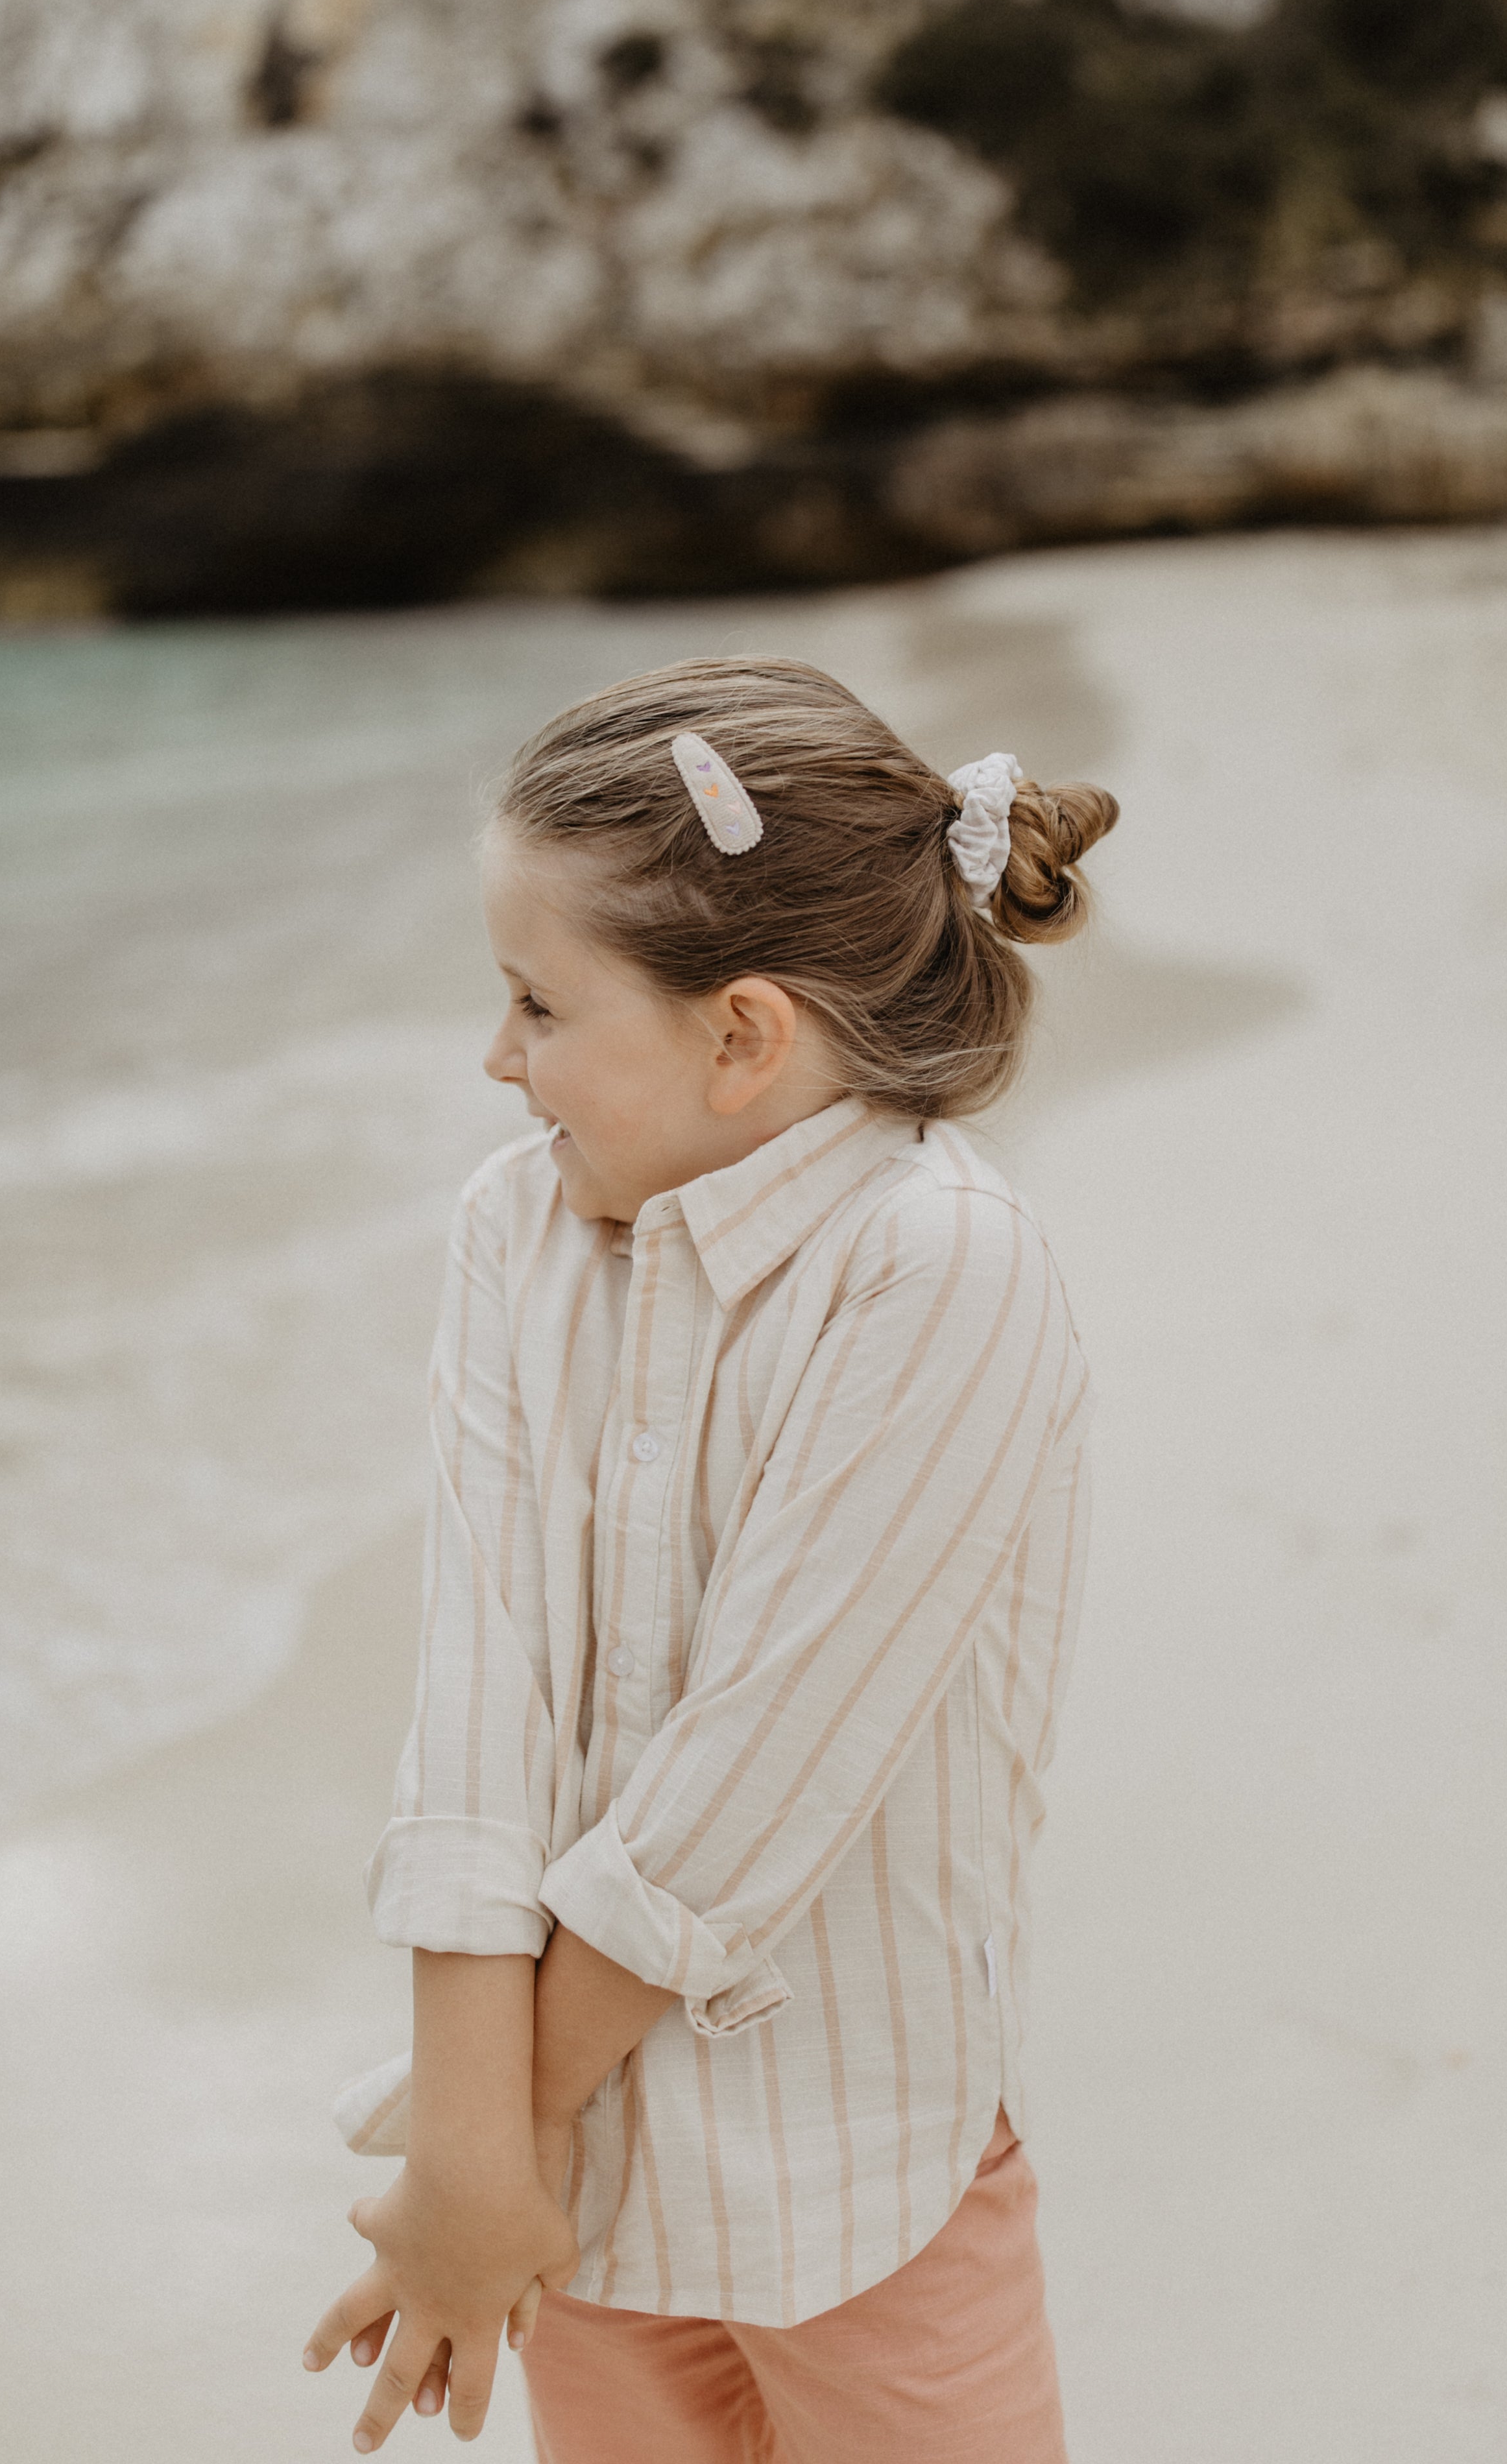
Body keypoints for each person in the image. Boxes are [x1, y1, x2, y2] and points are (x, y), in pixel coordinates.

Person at [302, 656, 1117, 2462]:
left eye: (534, 1002)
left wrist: (483, 2154)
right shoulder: (515, 1226)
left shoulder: (940, 1269)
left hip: (858, 2178)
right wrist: (481, 2162)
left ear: (741, 1035)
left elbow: (761, 1773)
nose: (494, 1058)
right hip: (581, 2204)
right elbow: (477, 1695)